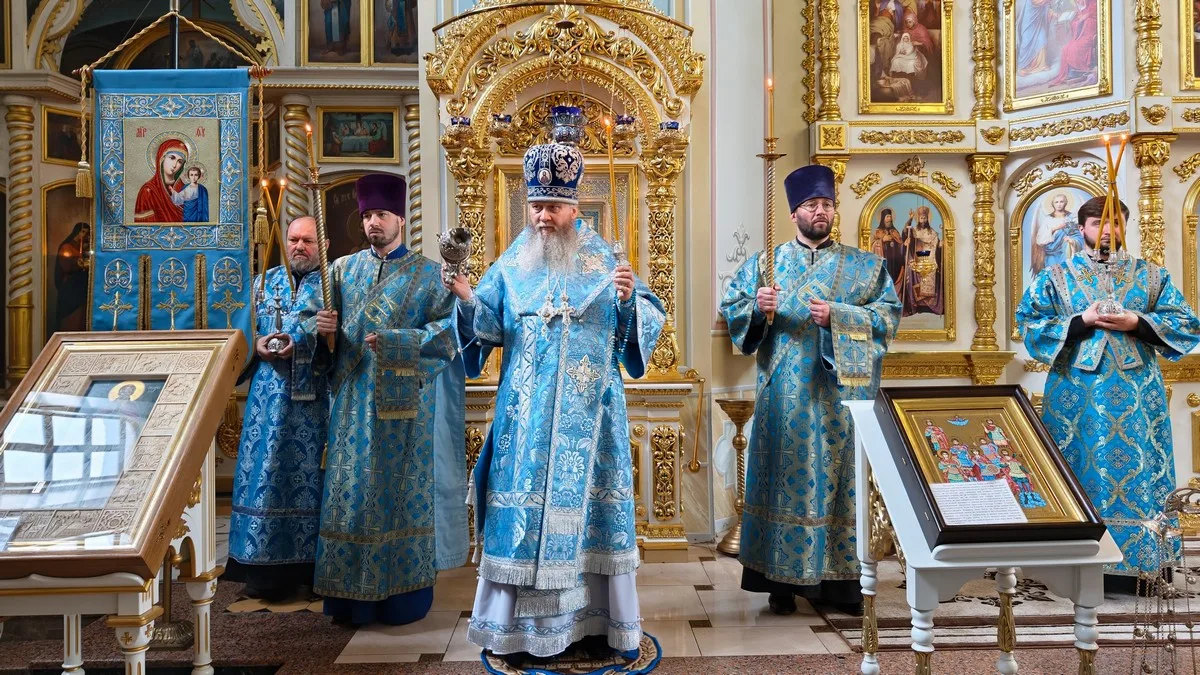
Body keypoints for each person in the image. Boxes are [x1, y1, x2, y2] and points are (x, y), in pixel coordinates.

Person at [449, 140, 666, 660]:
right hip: (524, 421)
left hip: (591, 421)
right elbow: (490, 325)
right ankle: (518, 632)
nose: (542, 216)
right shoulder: (514, 261)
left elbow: (646, 321)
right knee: (521, 523)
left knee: (590, 524)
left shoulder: (606, 260)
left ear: (573, 206)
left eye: (552, 206)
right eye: (536, 206)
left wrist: (628, 301)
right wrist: (466, 298)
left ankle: (595, 627)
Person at [720, 164, 900, 616]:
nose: (821, 212)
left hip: (840, 399)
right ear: (794, 213)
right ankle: (779, 583)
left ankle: (842, 586)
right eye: (811, 205)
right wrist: (757, 307)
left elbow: (888, 318)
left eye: (827, 205)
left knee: (841, 484)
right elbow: (733, 310)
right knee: (783, 483)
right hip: (784, 399)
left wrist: (839, 316)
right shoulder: (765, 264)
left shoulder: (865, 267)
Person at [301, 173, 467, 626]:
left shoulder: (429, 275)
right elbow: (310, 322)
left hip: (405, 411)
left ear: (401, 219)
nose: (373, 222)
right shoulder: (339, 270)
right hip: (351, 405)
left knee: (400, 498)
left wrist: (398, 342)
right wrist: (320, 330)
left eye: (382, 215)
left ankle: (402, 602)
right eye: (367, 215)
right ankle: (350, 603)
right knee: (352, 499)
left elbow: (448, 334)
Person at [1017, 196, 1200, 593]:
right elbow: (1029, 322)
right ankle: (1070, 562)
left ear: (1124, 227)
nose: (1107, 231)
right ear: (1081, 228)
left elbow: (1186, 322)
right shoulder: (1057, 276)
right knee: (1073, 467)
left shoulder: (1151, 275)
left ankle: (1144, 563)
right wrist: (1080, 321)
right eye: (1098, 223)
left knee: (1141, 466)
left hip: (1137, 392)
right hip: (1075, 392)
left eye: (1115, 223)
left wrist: (1138, 322)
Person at [226, 216, 330, 602]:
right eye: (293, 239)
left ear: (324, 245)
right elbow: (239, 333)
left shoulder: (334, 285)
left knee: (310, 482)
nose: (299, 247)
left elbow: (342, 337)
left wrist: (300, 342)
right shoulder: (262, 283)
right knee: (265, 477)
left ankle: (310, 572)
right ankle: (262, 573)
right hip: (266, 404)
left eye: (308, 241)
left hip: (315, 404)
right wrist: (255, 344)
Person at [899, 205, 943, 316]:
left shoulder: (932, 232)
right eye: (921, 218)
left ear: (928, 219)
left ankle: (928, 306)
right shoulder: (913, 230)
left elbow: (936, 245)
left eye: (925, 218)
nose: (923, 220)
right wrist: (910, 220)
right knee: (912, 270)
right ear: (918, 219)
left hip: (930, 258)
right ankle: (916, 304)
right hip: (917, 258)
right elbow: (905, 232)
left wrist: (940, 246)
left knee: (931, 272)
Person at [134, 138, 188, 222]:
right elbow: (145, 227)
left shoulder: (185, 189)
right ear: (162, 158)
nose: (175, 165)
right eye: (172, 158)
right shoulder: (148, 191)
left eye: (180, 161)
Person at [1030, 192, 1082, 275]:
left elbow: (1078, 235)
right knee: (1053, 275)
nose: (1059, 204)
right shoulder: (1048, 219)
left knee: (1066, 274)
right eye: (1056, 202)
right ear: (1053, 204)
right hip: (1051, 253)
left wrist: (1072, 241)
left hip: (1066, 252)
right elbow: (1040, 240)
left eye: (1061, 202)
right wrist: (1055, 228)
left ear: (1066, 203)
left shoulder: (1071, 217)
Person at [54, 222, 90, 332]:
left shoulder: (82, 248)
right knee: (71, 320)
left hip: (79, 289)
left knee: (80, 318)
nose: (85, 235)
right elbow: (67, 265)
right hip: (70, 289)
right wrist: (82, 263)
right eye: (83, 232)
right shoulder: (67, 247)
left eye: (87, 233)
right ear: (76, 232)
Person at [871, 208, 905, 284]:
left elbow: (900, 245)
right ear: (883, 218)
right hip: (884, 259)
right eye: (887, 217)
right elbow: (872, 245)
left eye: (890, 217)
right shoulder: (877, 231)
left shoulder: (895, 231)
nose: (889, 219)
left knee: (894, 277)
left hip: (895, 262)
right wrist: (882, 240)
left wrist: (904, 244)